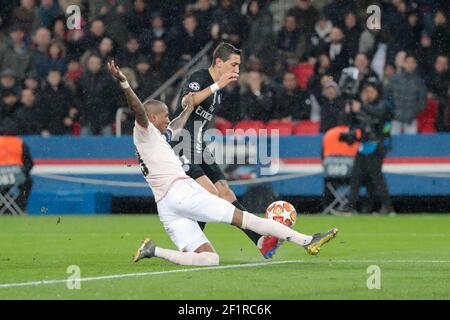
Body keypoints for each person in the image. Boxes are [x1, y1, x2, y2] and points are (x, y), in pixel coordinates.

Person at [107, 60, 338, 266]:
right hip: (180, 193)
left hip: (167, 207)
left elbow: (175, 127)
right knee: (248, 219)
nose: (167, 118)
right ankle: (308, 240)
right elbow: (138, 109)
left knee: (209, 259)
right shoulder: (143, 131)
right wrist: (125, 83)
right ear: (153, 118)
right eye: (164, 114)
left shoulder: (156, 137)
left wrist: (187, 110)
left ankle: (153, 250)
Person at [171, 42, 280, 259]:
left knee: (225, 191)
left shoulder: (220, 91)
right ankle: (191, 244)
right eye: (233, 65)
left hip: (199, 146)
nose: (237, 70)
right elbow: (186, 103)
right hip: (181, 142)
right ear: (219, 62)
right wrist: (215, 85)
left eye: (239, 66)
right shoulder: (200, 77)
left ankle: (259, 241)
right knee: (210, 194)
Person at [337, 81, 394, 215]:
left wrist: (361, 106)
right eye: (366, 92)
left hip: (378, 146)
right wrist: (348, 111)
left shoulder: (384, 104)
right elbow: (346, 123)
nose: (368, 94)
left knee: (376, 177)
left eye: (371, 91)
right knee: (355, 177)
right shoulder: (363, 107)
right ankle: (350, 206)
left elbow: (378, 114)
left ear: (377, 92)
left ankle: (387, 207)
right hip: (363, 146)